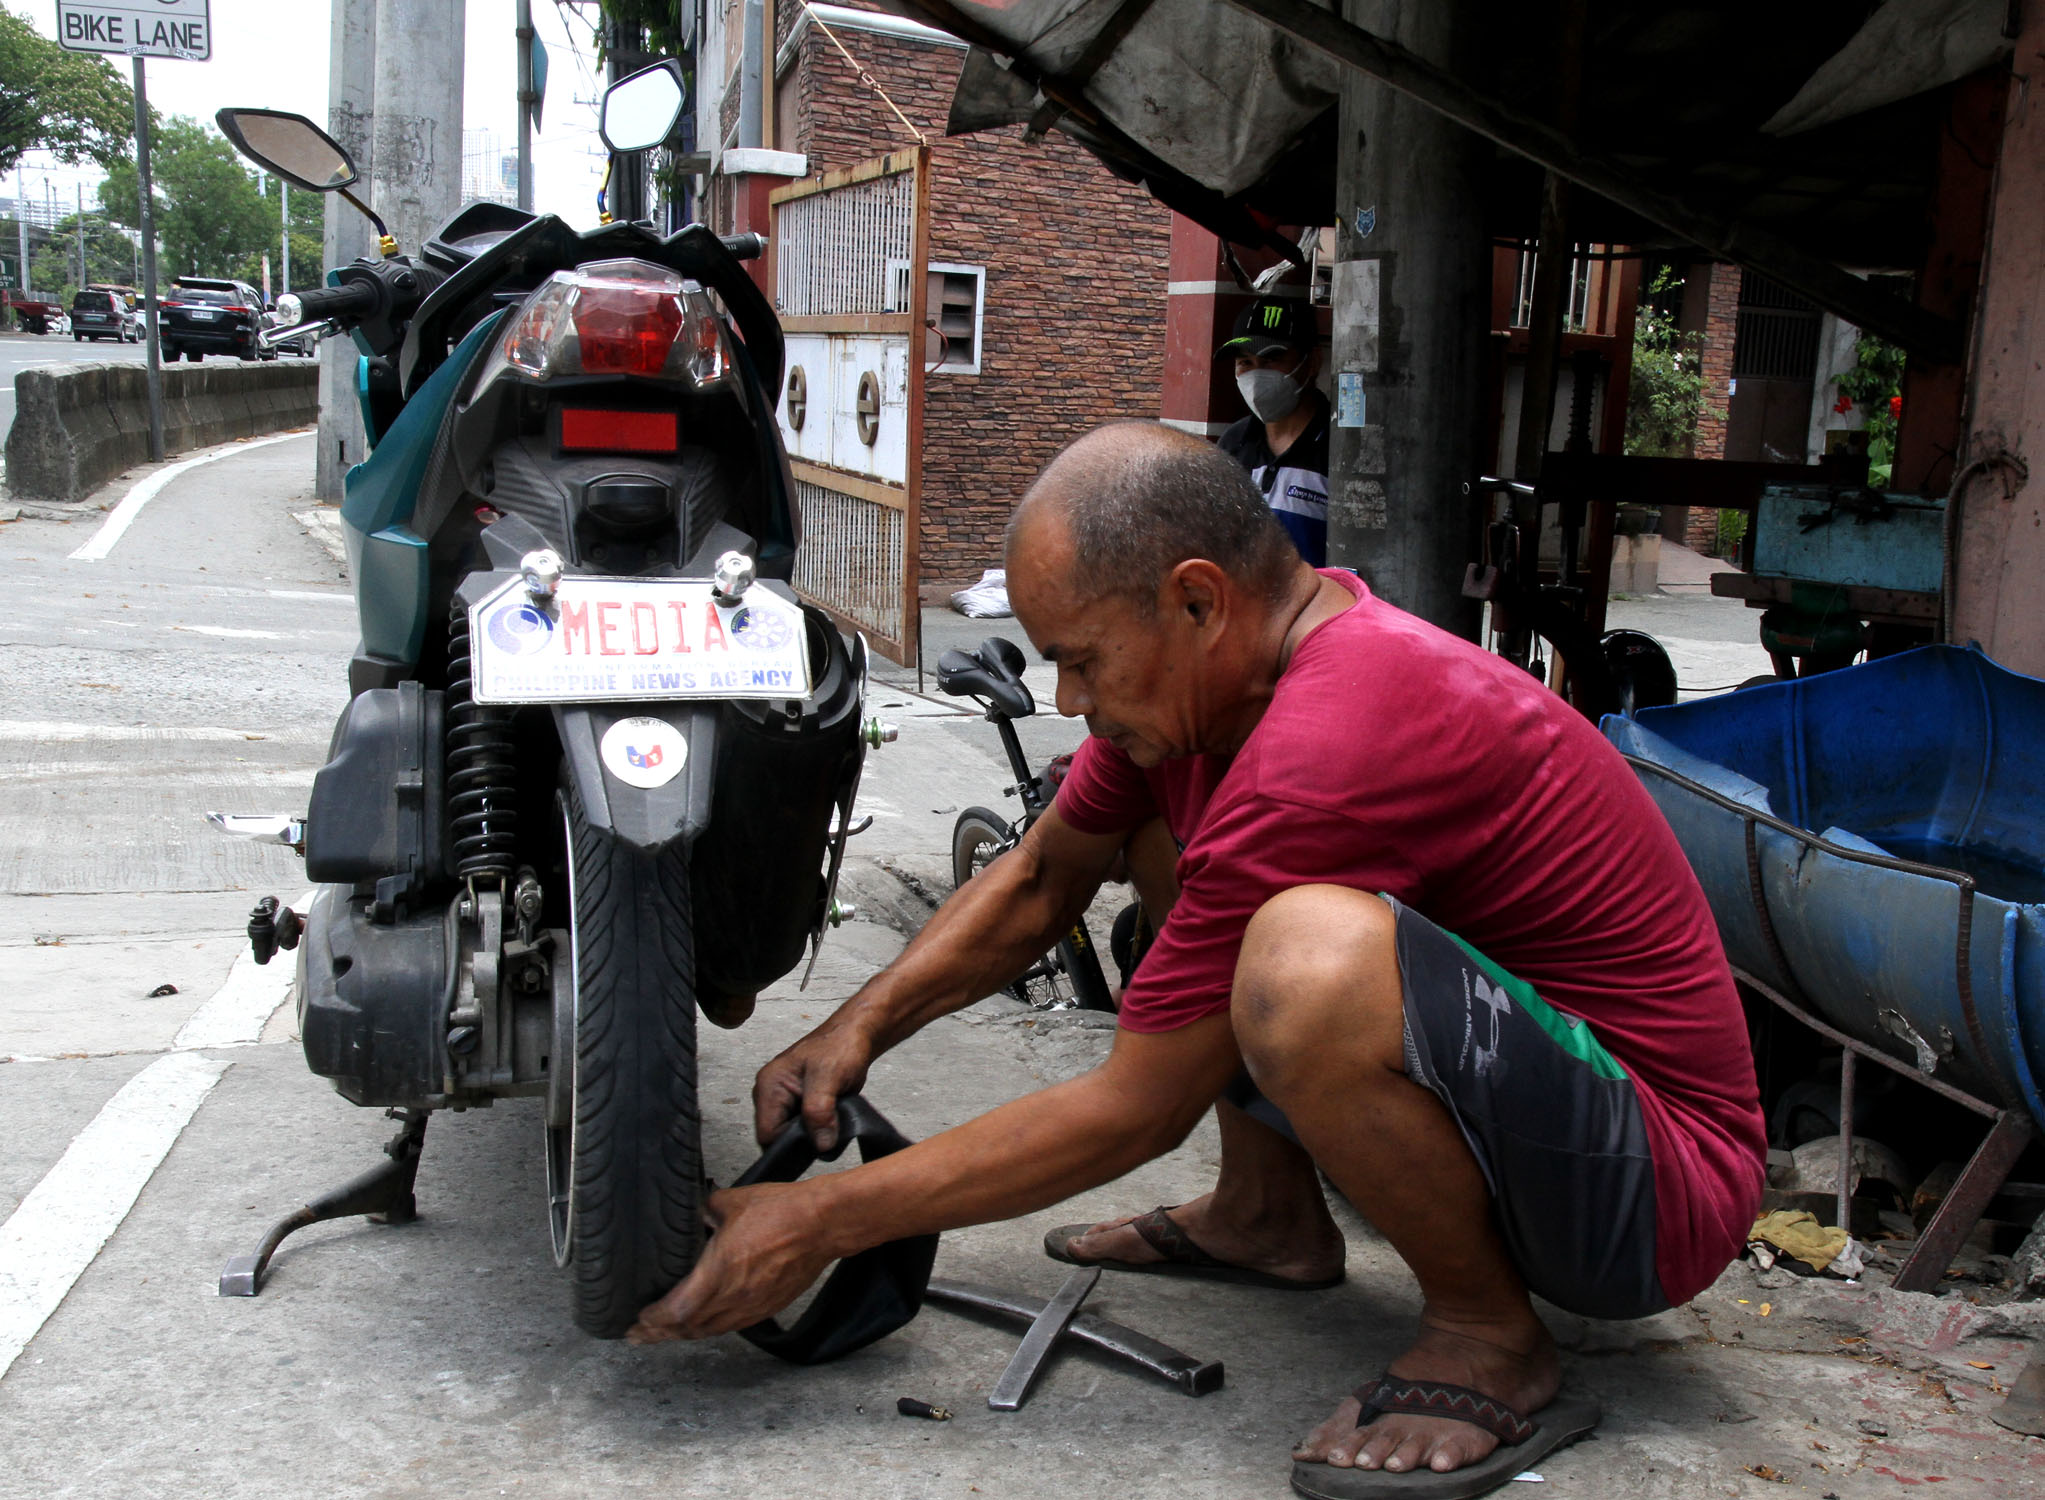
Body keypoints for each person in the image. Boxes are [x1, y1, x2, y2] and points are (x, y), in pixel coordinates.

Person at [627, 422, 1765, 1496]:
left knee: (1303, 960)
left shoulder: (1337, 729)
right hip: (1540, 1124)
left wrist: (825, 1220)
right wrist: (853, 1030)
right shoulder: (1219, 692)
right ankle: (1267, 1214)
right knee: (1171, 842)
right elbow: (1038, 878)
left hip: (1655, 1188)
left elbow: (1134, 1109)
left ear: (1195, 600)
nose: (1069, 699)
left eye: (1080, 660)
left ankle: (1487, 1337)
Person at [1218, 296, 1330, 567]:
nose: (1256, 375)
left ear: (1312, 362)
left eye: (1271, 359)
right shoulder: (1233, 444)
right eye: (1245, 362)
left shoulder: (1339, 449)